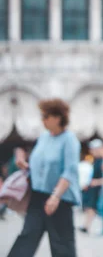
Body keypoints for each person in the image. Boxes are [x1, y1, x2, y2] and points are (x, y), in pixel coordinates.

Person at [8, 98, 81, 257]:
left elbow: (69, 171)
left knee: (61, 244)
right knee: (27, 236)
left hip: (60, 199)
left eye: (46, 117)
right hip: (38, 196)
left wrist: (55, 196)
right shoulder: (43, 138)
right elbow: (40, 166)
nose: (43, 121)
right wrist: (25, 165)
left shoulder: (69, 140)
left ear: (57, 118)